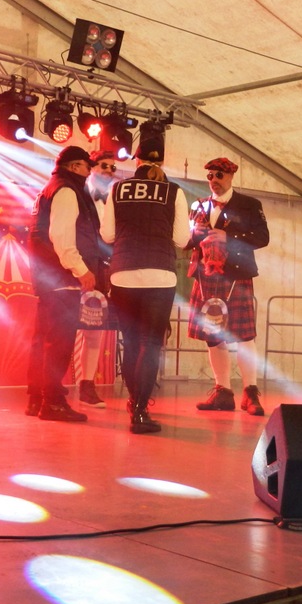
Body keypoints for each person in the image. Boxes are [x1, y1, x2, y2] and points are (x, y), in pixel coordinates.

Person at [100, 131, 189, 433]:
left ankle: (132, 402)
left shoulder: (117, 188)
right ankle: (140, 411)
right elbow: (182, 239)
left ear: (136, 159)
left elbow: (107, 235)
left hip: (123, 273)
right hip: (160, 275)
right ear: (162, 161)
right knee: (150, 344)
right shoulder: (174, 191)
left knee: (130, 341)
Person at [26, 146, 105, 423]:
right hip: (62, 277)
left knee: (43, 340)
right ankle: (53, 403)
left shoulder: (49, 190)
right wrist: (82, 270)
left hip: (48, 276)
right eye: (86, 166)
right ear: (73, 167)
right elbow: (62, 238)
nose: (89, 171)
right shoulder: (67, 191)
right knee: (58, 343)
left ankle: (37, 399)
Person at [186, 157, 269, 415]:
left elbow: (262, 238)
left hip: (236, 275)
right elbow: (187, 241)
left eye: (219, 176)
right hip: (205, 276)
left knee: (244, 336)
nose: (214, 181)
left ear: (231, 176)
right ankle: (222, 392)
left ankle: (250, 394)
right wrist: (195, 235)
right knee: (213, 337)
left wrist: (229, 237)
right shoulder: (198, 205)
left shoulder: (249, 204)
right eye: (210, 176)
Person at [72, 148, 117, 409]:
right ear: (92, 168)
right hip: (76, 267)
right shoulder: (77, 194)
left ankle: (86, 385)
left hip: (101, 270)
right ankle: (52, 386)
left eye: (112, 167)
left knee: (94, 328)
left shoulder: (114, 200)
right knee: (66, 328)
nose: (109, 171)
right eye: (104, 166)